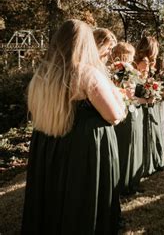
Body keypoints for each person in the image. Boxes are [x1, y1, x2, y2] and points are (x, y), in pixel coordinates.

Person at [22, 19, 125, 234]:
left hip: (48, 149)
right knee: (78, 202)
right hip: (82, 152)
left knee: (53, 198)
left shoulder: (42, 75)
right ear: (86, 44)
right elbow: (114, 115)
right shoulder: (86, 74)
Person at [111, 42, 144, 195]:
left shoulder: (130, 70)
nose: (132, 58)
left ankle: (132, 181)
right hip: (125, 112)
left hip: (135, 110)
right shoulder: (118, 71)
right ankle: (123, 184)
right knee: (125, 147)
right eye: (130, 55)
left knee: (134, 145)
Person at [134, 36, 164, 175]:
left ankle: (152, 160)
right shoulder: (144, 61)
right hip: (143, 101)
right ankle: (148, 162)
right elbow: (140, 79)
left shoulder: (145, 60)